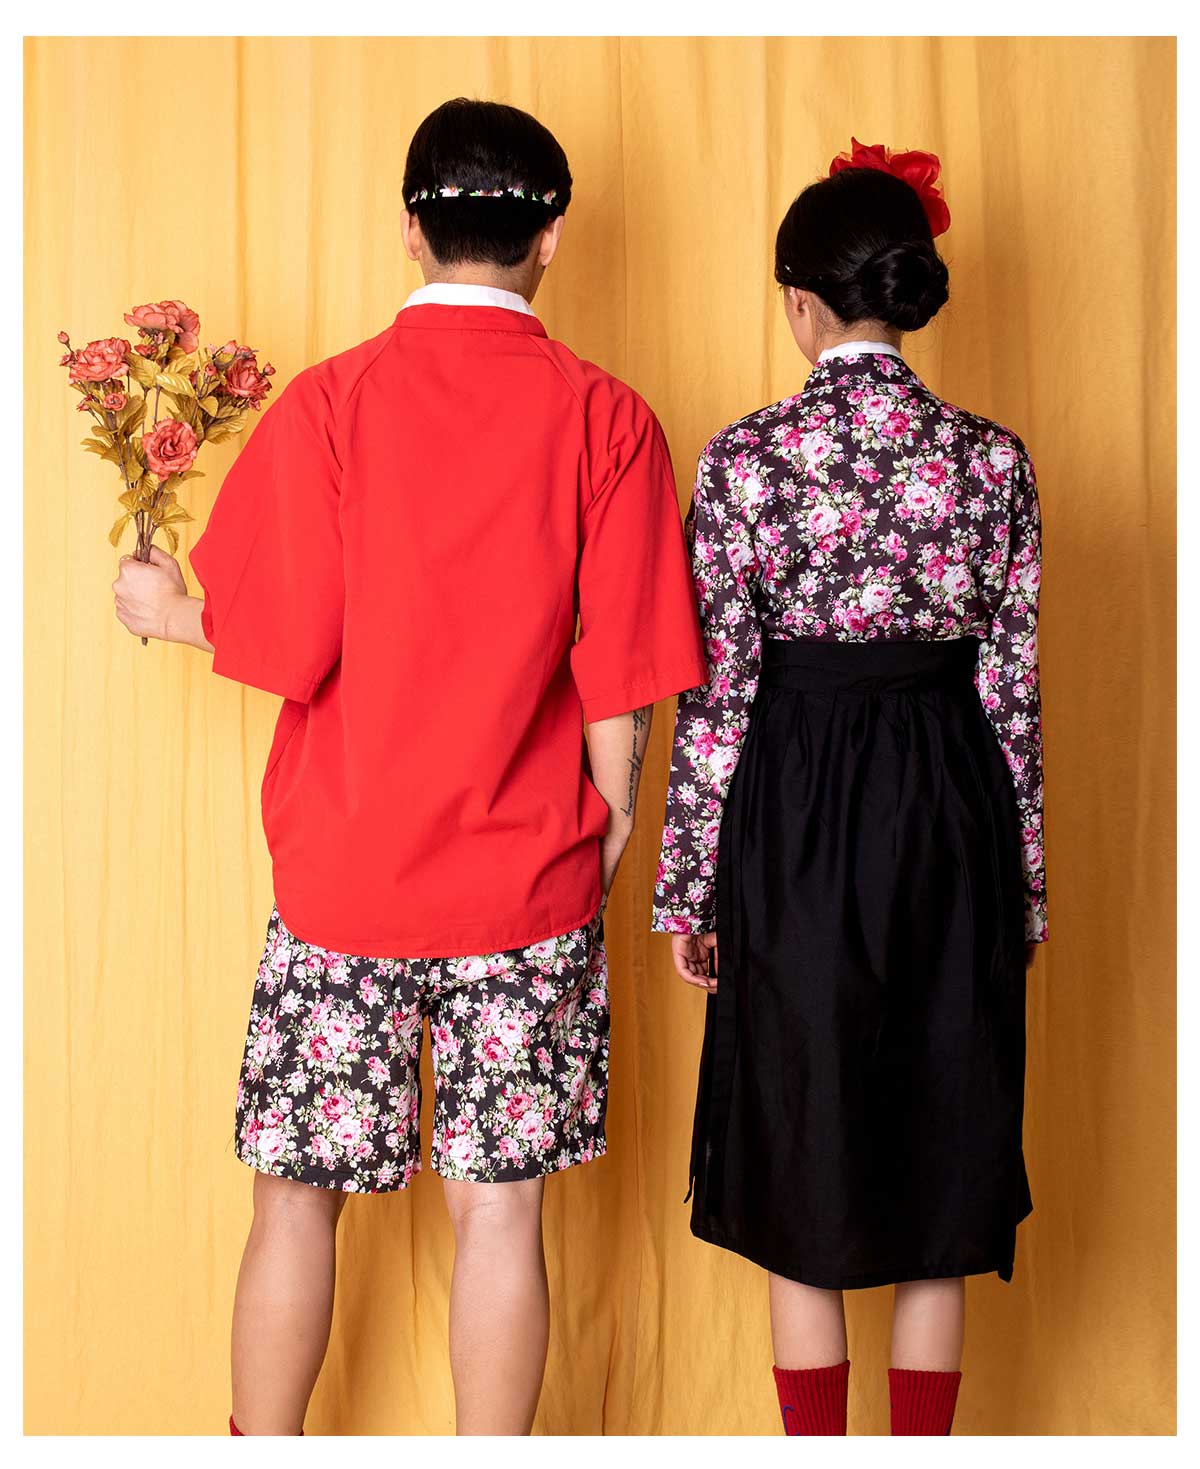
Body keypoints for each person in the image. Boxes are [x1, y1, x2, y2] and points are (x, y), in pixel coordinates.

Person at [113, 97, 708, 1437]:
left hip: (347, 879)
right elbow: (624, 673)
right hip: (529, 880)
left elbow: (284, 639)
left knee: (294, 1196)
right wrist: (607, 832)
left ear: (409, 228)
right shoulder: (609, 420)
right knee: (502, 1211)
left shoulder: (334, 403)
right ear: (551, 237)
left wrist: (168, 610)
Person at [652, 139, 1046, 1437]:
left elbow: (717, 692)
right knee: (943, 1146)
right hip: (951, 807)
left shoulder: (747, 458)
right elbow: (1012, 697)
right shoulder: (993, 460)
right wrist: (1024, 890)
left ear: (799, 301)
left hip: (798, 813)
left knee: (801, 1141)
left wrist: (689, 887)